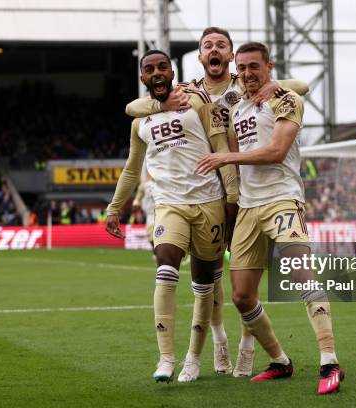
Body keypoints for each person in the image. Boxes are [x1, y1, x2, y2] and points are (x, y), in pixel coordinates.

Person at [125, 26, 310, 378]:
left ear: (229, 56)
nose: (214, 49)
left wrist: (277, 86)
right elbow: (132, 107)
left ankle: (247, 345)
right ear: (199, 56)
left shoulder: (246, 83)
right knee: (214, 275)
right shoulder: (188, 92)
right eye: (207, 45)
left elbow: (300, 87)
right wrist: (161, 103)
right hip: (210, 190)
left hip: (251, 190)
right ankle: (219, 338)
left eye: (221, 45)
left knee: (247, 280)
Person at [196, 42, 344, 394]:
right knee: (242, 297)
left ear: (269, 66)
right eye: (242, 68)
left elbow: (277, 152)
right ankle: (280, 360)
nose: (247, 74)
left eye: (254, 67)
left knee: (301, 275)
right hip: (248, 207)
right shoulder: (235, 106)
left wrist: (227, 159)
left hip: (281, 200)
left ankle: (329, 360)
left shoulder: (286, 99)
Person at [105, 49, 239, 383]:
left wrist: (232, 198)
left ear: (172, 71)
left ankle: (195, 357)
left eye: (162, 67)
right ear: (143, 78)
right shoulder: (140, 122)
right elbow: (132, 169)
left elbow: (222, 150)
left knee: (204, 283)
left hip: (209, 201)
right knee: (165, 265)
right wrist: (114, 207)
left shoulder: (197, 103)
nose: (157, 72)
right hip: (170, 204)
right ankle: (166, 358)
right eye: (149, 69)